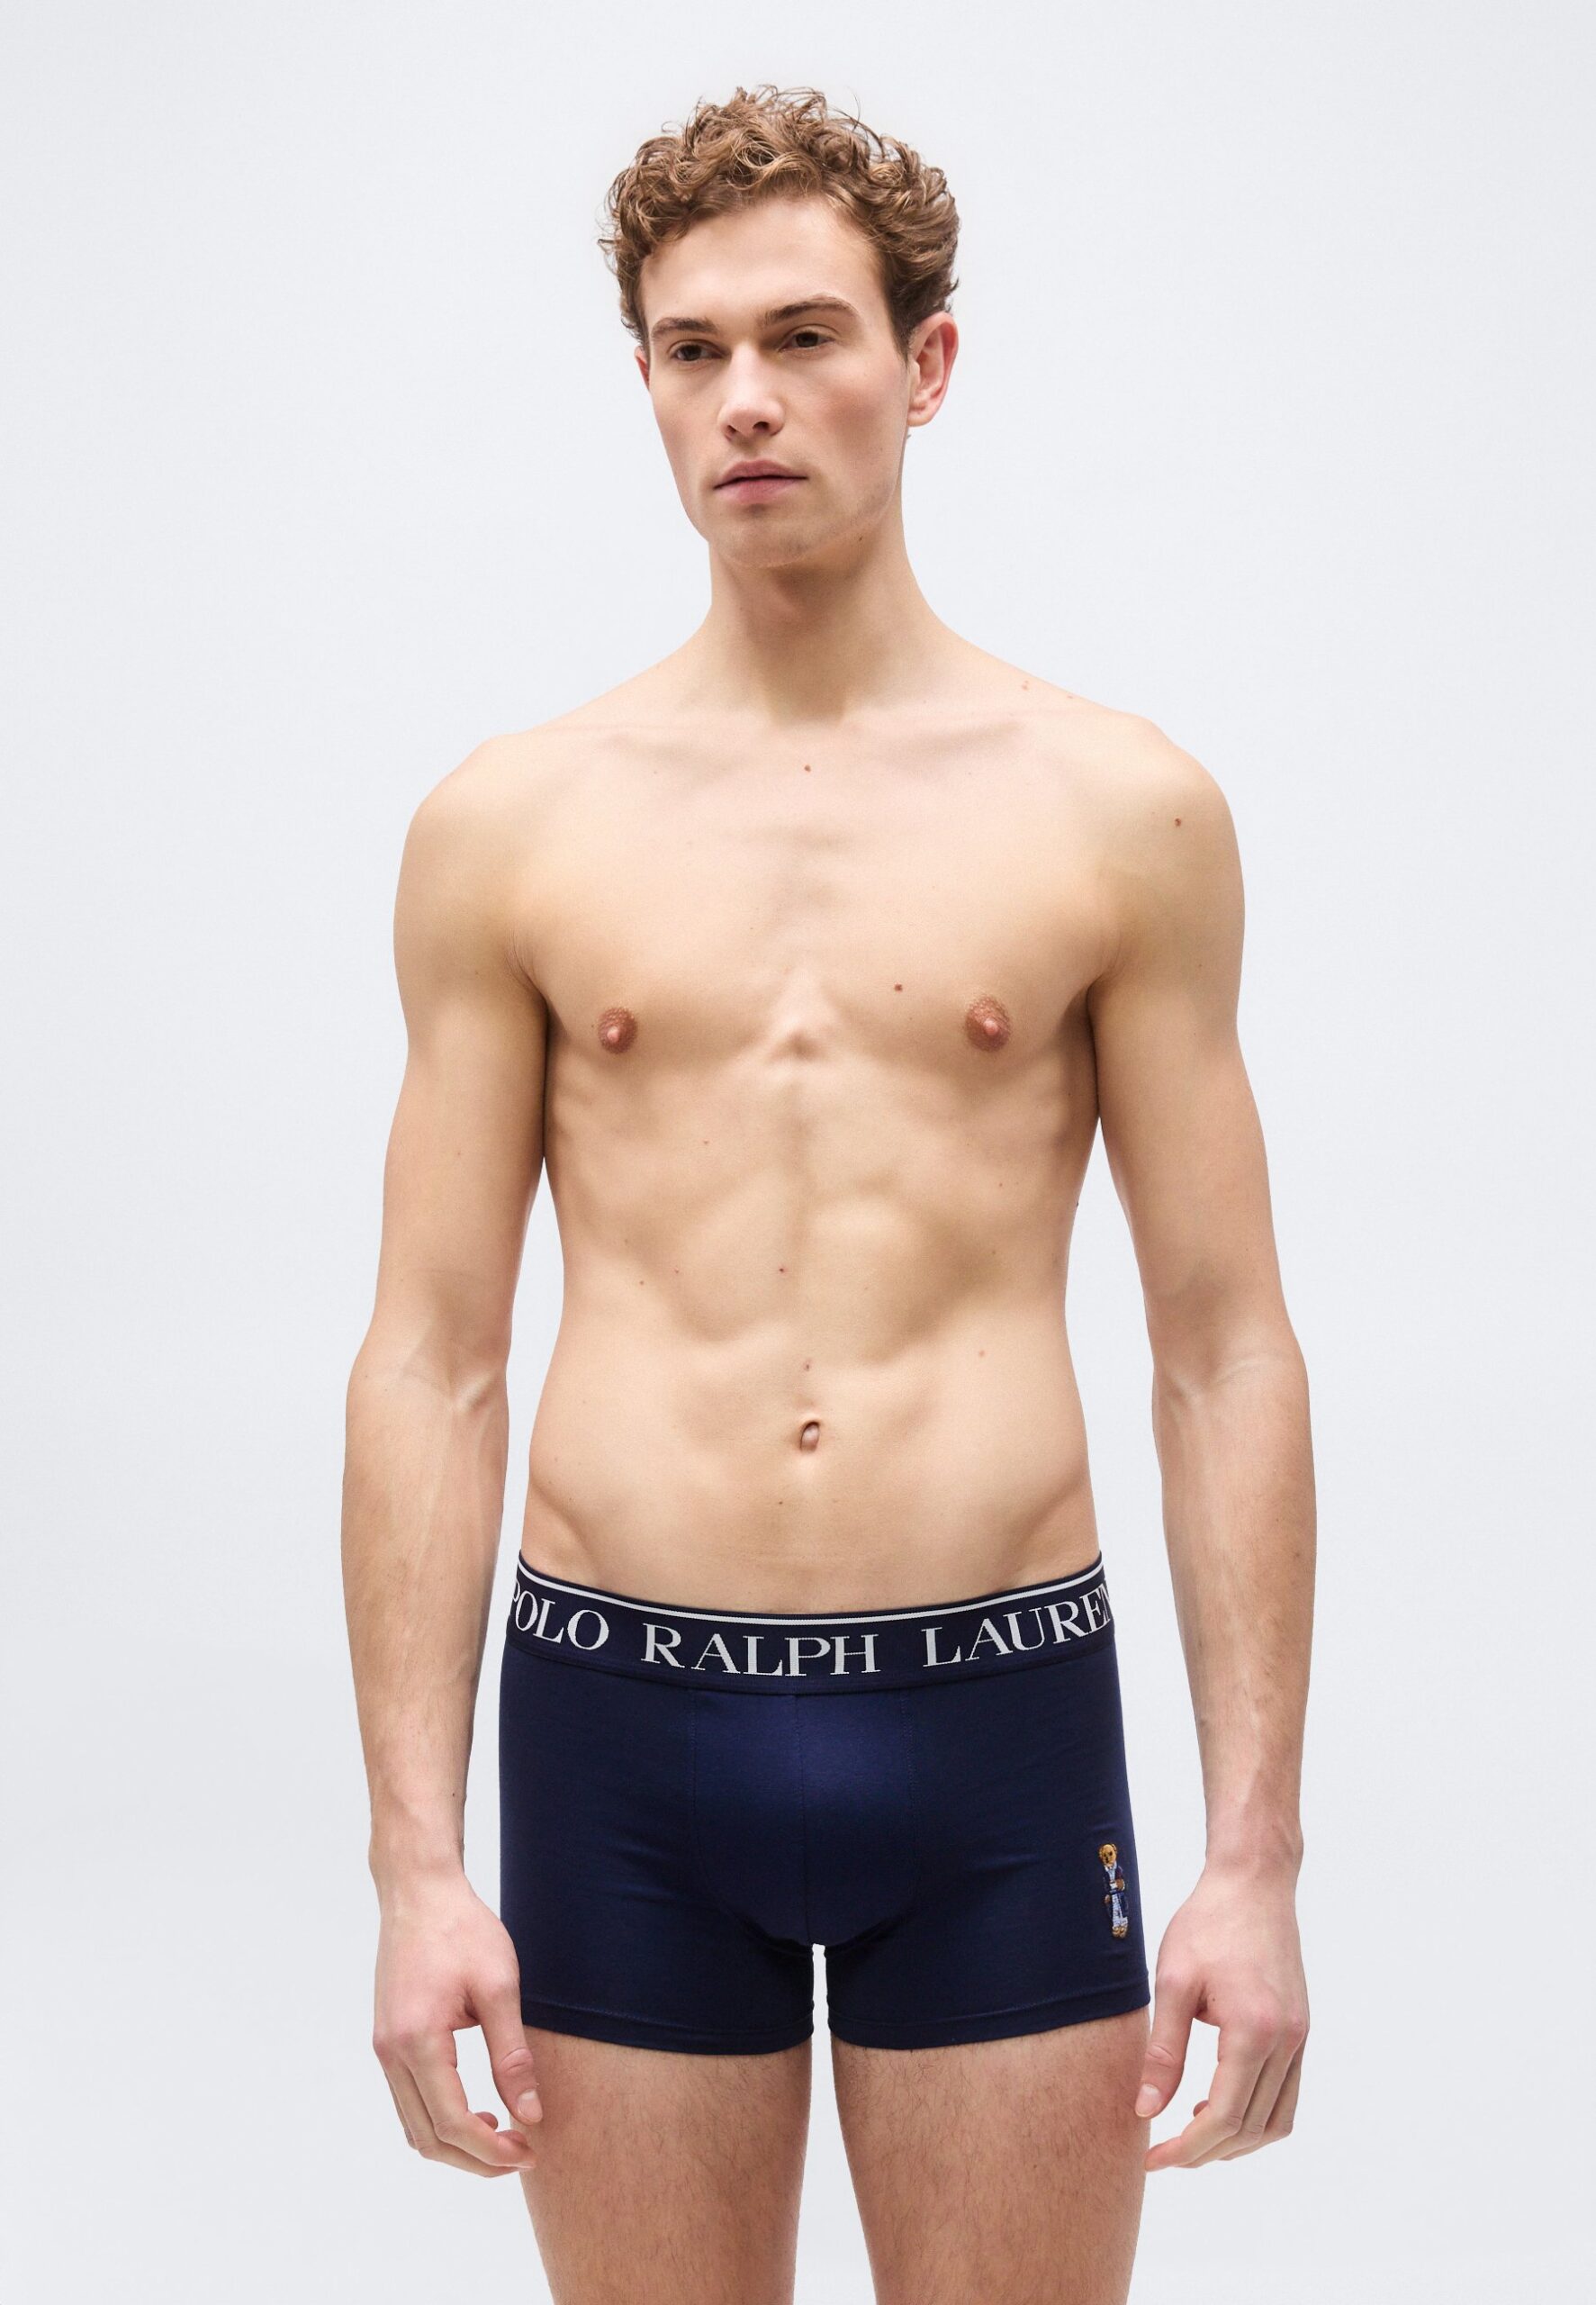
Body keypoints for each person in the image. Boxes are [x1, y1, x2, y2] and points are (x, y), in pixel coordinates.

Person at [340, 82, 1314, 2305]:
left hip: (994, 1723)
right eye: (692, 350)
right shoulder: (510, 826)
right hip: (619, 1730)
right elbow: (431, 1353)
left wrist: (1252, 1850)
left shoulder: (1117, 811)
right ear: (644, 382)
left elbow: (1220, 1342)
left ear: (924, 362)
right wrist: (413, 1858)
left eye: (803, 337)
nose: (747, 400)